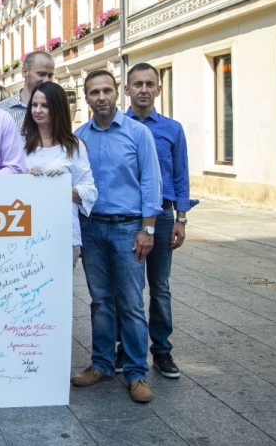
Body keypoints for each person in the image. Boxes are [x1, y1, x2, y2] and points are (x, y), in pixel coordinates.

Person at [71, 69, 162, 404]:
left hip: (127, 228)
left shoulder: (138, 133)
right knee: (100, 301)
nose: (101, 97)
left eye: (106, 91)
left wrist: (147, 229)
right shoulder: (79, 138)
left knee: (131, 302)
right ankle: (102, 364)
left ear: (116, 93)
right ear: (86, 97)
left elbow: (151, 182)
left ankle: (137, 372)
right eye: (94, 92)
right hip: (92, 227)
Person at [124, 62, 196, 379]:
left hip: (164, 215)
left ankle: (162, 350)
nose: (144, 89)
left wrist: (182, 219)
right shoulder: (117, 126)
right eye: (138, 84)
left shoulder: (172, 129)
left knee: (160, 286)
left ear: (158, 89)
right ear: (127, 89)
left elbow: (181, 175)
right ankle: (126, 348)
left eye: (149, 84)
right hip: (128, 216)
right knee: (128, 288)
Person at [22, 82, 97, 268]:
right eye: (34, 105)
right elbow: (8, 184)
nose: (37, 110)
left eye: (45, 106)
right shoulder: (20, 142)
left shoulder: (73, 145)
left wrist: (61, 187)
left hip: (62, 232)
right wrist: (25, 179)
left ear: (58, 108)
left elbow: (90, 191)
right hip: (25, 232)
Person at [0, 51, 55, 129]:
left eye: (50, 76)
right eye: (41, 74)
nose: (46, 80)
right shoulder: (0, 111)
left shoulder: (56, 108)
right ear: (25, 71)